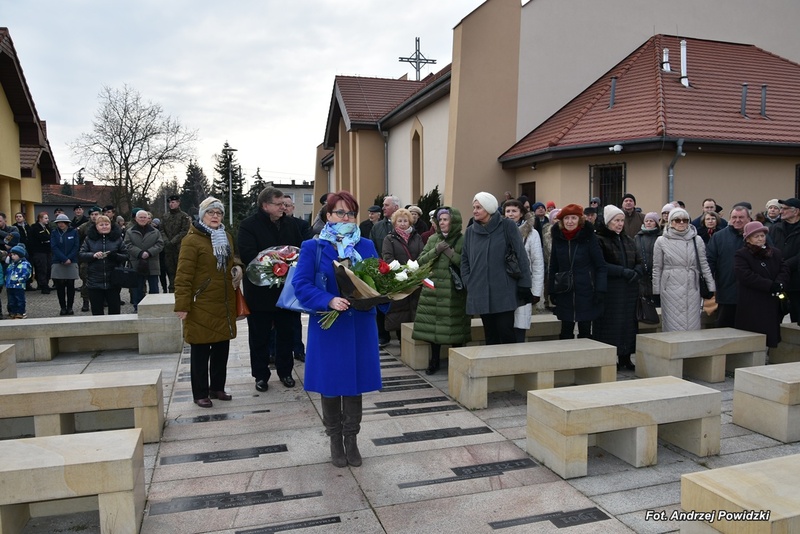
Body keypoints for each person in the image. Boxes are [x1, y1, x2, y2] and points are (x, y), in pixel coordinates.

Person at [293, 191, 381, 468]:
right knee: (331, 385)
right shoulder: (313, 246)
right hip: (328, 326)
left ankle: (351, 440)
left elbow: (380, 280)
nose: (346, 218)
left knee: (354, 385)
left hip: (359, 325)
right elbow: (302, 284)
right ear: (327, 216)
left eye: (351, 213)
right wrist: (327, 299)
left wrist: (378, 296)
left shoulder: (366, 245)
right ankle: (334, 440)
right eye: (340, 213)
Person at [175, 197, 243, 408]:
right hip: (201, 303)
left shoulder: (227, 237)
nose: (215, 216)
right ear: (202, 215)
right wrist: (182, 305)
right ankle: (200, 392)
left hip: (223, 302)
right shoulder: (191, 240)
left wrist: (237, 267)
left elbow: (233, 259)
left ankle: (217, 388)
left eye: (219, 213)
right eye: (210, 212)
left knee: (222, 348)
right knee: (201, 351)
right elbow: (183, 275)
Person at [238, 187, 303, 392]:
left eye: (284, 204)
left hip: (286, 292)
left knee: (286, 334)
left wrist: (289, 266)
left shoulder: (291, 224)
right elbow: (248, 255)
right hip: (260, 292)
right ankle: (261, 375)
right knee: (259, 336)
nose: (283, 208)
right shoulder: (249, 225)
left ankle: (285, 372)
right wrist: (273, 265)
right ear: (265, 206)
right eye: (279, 204)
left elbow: (299, 250)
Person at [462, 192, 532, 345]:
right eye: (474, 207)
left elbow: (521, 256)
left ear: (488, 208)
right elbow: (465, 260)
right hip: (480, 290)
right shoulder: (470, 232)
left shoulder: (507, 226)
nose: (474, 211)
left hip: (504, 291)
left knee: (505, 331)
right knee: (490, 334)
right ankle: (491, 368)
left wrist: (525, 283)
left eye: (478, 207)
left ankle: (510, 368)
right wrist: (469, 281)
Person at [412, 207, 471, 374]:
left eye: (446, 219)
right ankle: (434, 361)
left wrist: (451, 253)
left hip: (454, 292)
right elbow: (421, 261)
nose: (442, 222)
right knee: (434, 329)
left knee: (456, 327)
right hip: (434, 289)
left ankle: (457, 363)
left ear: (454, 222)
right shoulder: (432, 239)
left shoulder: (463, 239)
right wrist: (436, 250)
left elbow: (466, 265)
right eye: (441, 220)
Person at [593, 205, 644, 369]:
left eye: (622, 220)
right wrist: (622, 272)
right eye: (616, 220)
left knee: (628, 324)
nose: (620, 224)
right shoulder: (600, 239)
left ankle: (625, 357)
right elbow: (600, 264)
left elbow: (639, 260)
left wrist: (637, 271)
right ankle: (609, 358)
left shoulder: (628, 239)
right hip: (611, 289)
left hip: (629, 289)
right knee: (610, 325)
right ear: (608, 222)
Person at [549, 204, 607, 339]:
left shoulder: (589, 238)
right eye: (566, 218)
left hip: (586, 290)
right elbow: (553, 266)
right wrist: (551, 290)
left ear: (579, 220)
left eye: (573, 218)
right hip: (565, 290)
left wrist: (600, 289)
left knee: (585, 330)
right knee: (565, 331)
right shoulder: (558, 238)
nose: (570, 222)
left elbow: (601, 266)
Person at [652, 209, 715, 332]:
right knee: (672, 322)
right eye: (677, 220)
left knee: (692, 321)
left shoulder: (697, 240)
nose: (681, 223)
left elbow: (703, 264)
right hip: (670, 287)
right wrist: (656, 290)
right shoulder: (661, 241)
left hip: (692, 285)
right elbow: (657, 267)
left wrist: (711, 286)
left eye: (685, 220)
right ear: (670, 222)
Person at [734, 221, 790, 348]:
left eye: (762, 235)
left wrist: (779, 283)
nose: (760, 238)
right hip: (752, 300)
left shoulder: (775, 252)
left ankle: (767, 354)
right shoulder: (742, 254)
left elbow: (784, 268)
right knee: (753, 333)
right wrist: (769, 285)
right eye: (756, 236)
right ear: (748, 239)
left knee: (770, 331)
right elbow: (745, 275)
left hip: (771, 300)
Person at [504, 200, 544, 341]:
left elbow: (538, 263)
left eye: (514, 211)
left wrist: (536, 291)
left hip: (523, 283)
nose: (510, 214)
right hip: (504, 284)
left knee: (520, 325)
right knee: (505, 326)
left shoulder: (532, 234)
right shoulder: (500, 232)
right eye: (508, 211)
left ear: (521, 213)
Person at [381, 208, 424, 340]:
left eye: (405, 220)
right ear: (395, 223)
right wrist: (402, 270)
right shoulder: (390, 239)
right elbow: (387, 257)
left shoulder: (417, 237)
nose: (403, 223)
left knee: (415, 309)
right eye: (400, 221)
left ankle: (415, 341)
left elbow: (422, 254)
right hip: (399, 279)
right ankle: (402, 342)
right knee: (401, 312)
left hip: (415, 279)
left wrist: (416, 269)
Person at [707, 205, 751, 327]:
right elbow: (710, 261)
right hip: (726, 293)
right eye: (734, 217)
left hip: (751, 294)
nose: (737, 220)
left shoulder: (758, 236)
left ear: (748, 218)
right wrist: (708, 286)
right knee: (724, 329)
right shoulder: (719, 237)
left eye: (741, 217)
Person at [78, 215, 128, 315]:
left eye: (106, 224)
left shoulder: (117, 239)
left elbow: (126, 255)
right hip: (95, 280)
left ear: (110, 225)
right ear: (96, 226)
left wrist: (115, 256)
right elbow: (81, 254)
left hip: (113, 280)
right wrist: (93, 255)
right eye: (101, 225)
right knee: (97, 312)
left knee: (114, 311)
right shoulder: (89, 239)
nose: (104, 226)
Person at [370, 195, 400, 346]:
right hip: (381, 271)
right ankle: (383, 335)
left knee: (400, 304)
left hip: (400, 271)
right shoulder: (377, 227)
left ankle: (401, 335)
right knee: (380, 303)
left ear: (395, 207)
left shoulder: (402, 223)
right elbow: (372, 248)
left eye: (386, 205)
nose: (383, 208)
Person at [282, 197, 310, 361]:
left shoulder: (301, 225)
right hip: (275, 273)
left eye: (288, 205)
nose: (285, 208)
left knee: (294, 316)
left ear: (293, 207)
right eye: (282, 205)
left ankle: (298, 349)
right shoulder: (274, 225)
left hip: (294, 272)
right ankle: (273, 351)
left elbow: (304, 246)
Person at [124, 210, 164, 311]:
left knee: (154, 287)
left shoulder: (155, 232)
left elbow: (160, 244)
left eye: (144, 217)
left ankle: (155, 307)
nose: (143, 219)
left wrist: (149, 252)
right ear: (136, 219)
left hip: (152, 263)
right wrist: (140, 253)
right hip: (136, 263)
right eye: (140, 217)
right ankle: (138, 307)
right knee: (137, 288)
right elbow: (127, 245)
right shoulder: (130, 232)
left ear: (148, 219)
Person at [769, 198, 800, 323]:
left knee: (797, 318)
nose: (781, 211)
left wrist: (784, 265)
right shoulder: (775, 229)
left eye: (785, 208)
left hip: (796, 283)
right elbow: (768, 248)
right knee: (773, 317)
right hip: (777, 280)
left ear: (796, 211)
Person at [50, 213, 80, 315]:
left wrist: (69, 258)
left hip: (71, 261)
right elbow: (54, 247)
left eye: (63, 222)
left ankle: (70, 307)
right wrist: (63, 258)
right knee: (60, 285)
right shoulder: (54, 232)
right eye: (59, 223)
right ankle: (62, 307)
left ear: (67, 223)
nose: (61, 224)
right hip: (58, 261)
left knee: (71, 285)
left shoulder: (74, 232)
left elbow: (76, 246)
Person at [161, 194, 191, 293]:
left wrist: (173, 241)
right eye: (170, 202)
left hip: (179, 248)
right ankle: (171, 290)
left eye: (173, 202)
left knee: (180, 270)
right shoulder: (165, 216)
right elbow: (161, 230)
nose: (171, 204)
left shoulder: (184, 216)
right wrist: (166, 240)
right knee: (170, 271)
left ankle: (181, 291)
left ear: (178, 203)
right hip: (168, 249)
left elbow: (185, 231)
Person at [76, 206, 102, 312]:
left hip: (101, 258)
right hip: (87, 258)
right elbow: (77, 240)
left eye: (96, 214)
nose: (94, 217)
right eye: (92, 215)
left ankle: (102, 301)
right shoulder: (84, 227)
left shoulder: (104, 224)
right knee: (86, 282)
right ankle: (86, 302)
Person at [635, 212, 661, 306]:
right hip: (642, 276)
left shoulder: (661, 237)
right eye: (647, 221)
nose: (648, 223)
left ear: (656, 223)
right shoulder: (638, 237)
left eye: (651, 221)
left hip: (657, 275)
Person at [5, 245, 32, 319]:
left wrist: (20, 280)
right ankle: (13, 312)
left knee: (19, 300)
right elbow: (8, 273)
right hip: (10, 285)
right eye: (12, 255)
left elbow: (27, 274)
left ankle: (20, 312)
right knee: (11, 300)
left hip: (19, 285)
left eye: (14, 255)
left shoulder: (25, 264)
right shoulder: (12, 264)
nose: (12, 256)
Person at [29, 212, 51, 293]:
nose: (47, 220)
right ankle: (43, 285)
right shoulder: (35, 228)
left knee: (48, 268)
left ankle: (46, 283)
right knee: (42, 268)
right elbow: (39, 238)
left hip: (47, 250)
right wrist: (45, 239)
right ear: (40, 219)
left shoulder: (47, 227)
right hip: (39, 251)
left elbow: (50, 236)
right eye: (45, 218)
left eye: (47, 218)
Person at [12, 213, 33, 291]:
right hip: (19, 250)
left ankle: (28, 283)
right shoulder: (14, 227)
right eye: (16, 217)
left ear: (24, 218)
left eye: (20, 216)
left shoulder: (28, 227)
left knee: (29, 266)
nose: (18, 218)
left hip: (29, 249)